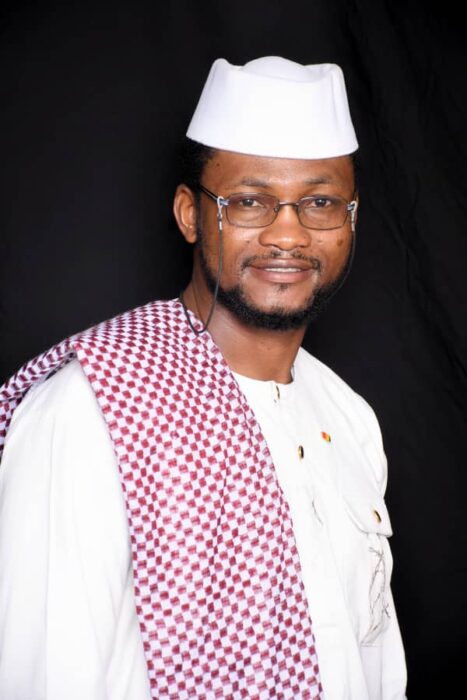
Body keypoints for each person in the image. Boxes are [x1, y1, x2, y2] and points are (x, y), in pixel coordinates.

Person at [0, 57, 407, 699]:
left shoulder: (348, 417)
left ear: (350, 218)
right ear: (190, 214)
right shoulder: (89, 411)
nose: (288, 234)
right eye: (249, 201)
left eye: (320, 203)